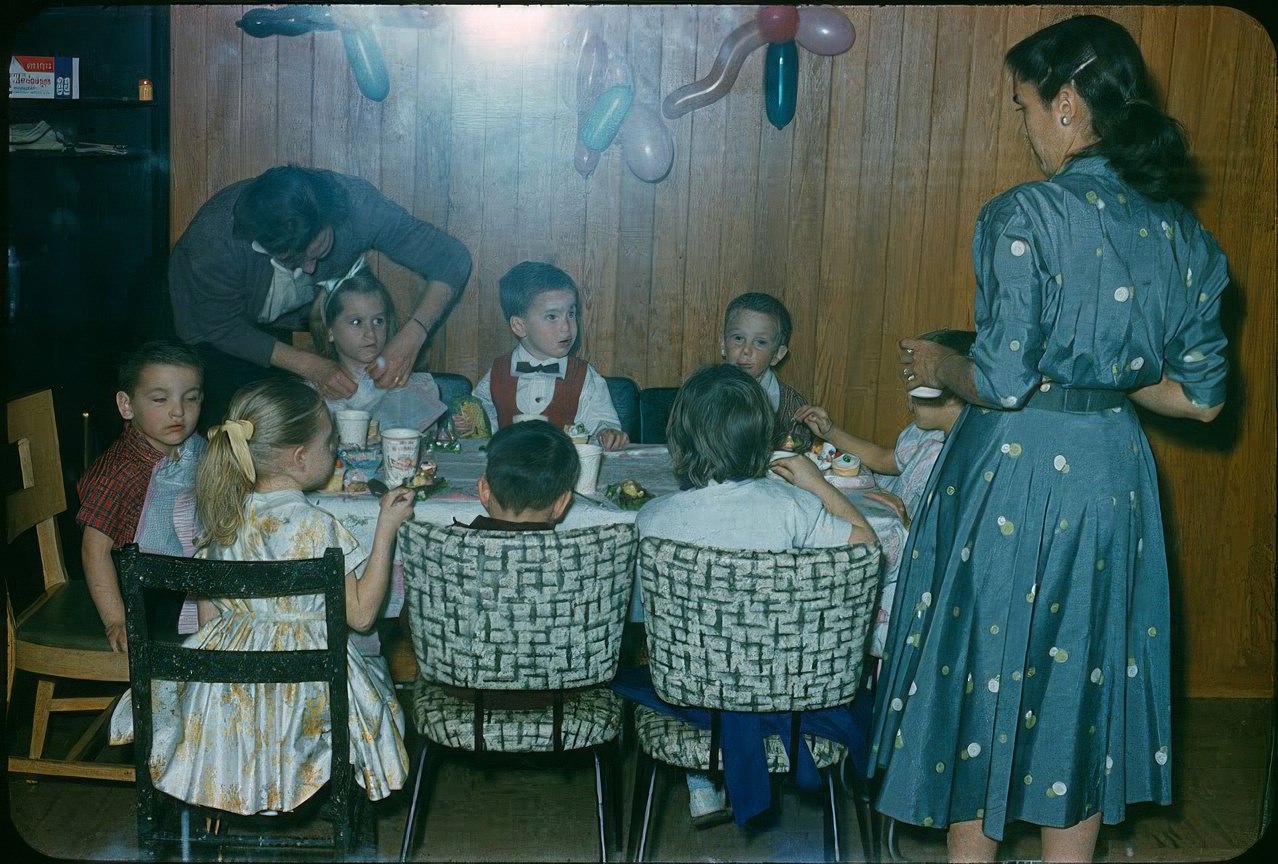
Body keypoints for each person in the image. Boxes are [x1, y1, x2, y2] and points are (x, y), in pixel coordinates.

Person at [869, 15, 1228, 863]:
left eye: (1025, 105)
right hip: (1113, 477)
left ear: (1067, 103)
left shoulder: (1024, 212)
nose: (1025, 125)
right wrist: (1102, 372)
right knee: (1081, 683)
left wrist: (937, 359)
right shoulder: (1185, 237)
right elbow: (1203, 401)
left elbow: (996, 381)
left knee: (985, 675)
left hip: (1015, 470)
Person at [108, 377, 417, 816]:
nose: (334, 452)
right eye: (329, 444)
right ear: (299, 457)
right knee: (378, 692)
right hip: (310, 690)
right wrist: (386, 528)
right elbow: (364, 616)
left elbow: (209, 617)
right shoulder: (319, 527)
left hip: (227, 698)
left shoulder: (221, 521)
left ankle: (237, 786)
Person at [634, 363, 878, 826]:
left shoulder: (654, 518)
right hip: (792, 691)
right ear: (763, 442)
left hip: (692, 694)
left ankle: (701, 777)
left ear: (679, 439)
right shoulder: (792, 507)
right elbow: (867, 549)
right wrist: (817, 483)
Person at [168, 164, 472, 429]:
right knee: (233, 427)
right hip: (207, 329)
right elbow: (218, 327)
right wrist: (310, 366)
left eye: (319, 251)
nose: (312, 269)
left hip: (280, 318)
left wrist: (413, 335)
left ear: (331, 219)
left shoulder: (359, 207)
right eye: (295, 260)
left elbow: (451, 259)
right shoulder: (213, 244)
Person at [77, 340, 207, 652]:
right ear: (127, 405)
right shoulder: (120, 471)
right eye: (160, 399)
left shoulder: (196, 447)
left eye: (191, 399)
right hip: (144, 597)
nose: (178, 411)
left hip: (193, 581)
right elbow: (93, 551)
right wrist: (117, 620)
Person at [796, 328, 978, 525]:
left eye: (917, 380)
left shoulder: (969, 461)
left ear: (956, 389)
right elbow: (883, 459)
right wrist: (830, 432)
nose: (908, 394)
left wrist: (909, 523)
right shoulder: (923, 434)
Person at [456, 261, 628, 450]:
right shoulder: (498, 372)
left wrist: (608, 433)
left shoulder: (583, 375)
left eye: (571, 314)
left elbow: (602, 422)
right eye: (552, 317)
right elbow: (482, 421)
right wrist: (469, 425)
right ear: (519, 326)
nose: (566, 327)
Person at [311, 265, 448, 436]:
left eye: (378, 321)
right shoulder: (314, 394)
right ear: (330, 331)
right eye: (356, 322)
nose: (371, 334)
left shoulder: (410, 389)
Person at [721, 291, 808, 450]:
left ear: (777, 355)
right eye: (738, 338)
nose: (746, 350)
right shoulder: (699, 393)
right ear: (723, 344)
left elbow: (799, 452)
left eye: (760, 342)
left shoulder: (792, 407)